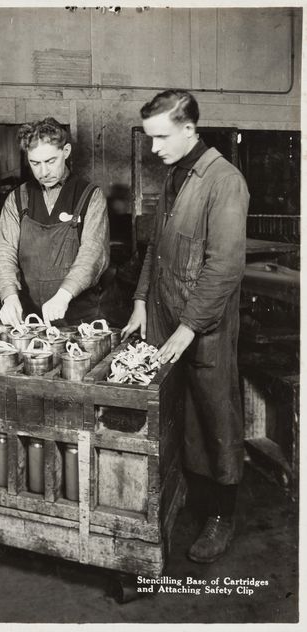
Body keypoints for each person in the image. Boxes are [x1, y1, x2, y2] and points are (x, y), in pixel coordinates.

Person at [122, 90, 249, 564]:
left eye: (160, 137)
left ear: (189, 129)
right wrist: (139, 301)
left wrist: (190, 327)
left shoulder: (224, 182)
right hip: (163, 316)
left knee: (216, 417)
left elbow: (224, 267)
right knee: (176, 417)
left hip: (205, 327)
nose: (153, 149)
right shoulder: (175, 176)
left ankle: (222, 518)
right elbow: (155, 249)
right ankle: (186, 499)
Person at [0, 117, 109, 328]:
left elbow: (93, 253)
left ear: (66, 152)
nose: (43, 172)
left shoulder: (90, 195)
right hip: (31, 315)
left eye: (50, 161)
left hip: (79, 314)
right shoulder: (17, 199)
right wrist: (9, 296)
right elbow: (5, 252)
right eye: (35, 163)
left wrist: (64, 294)